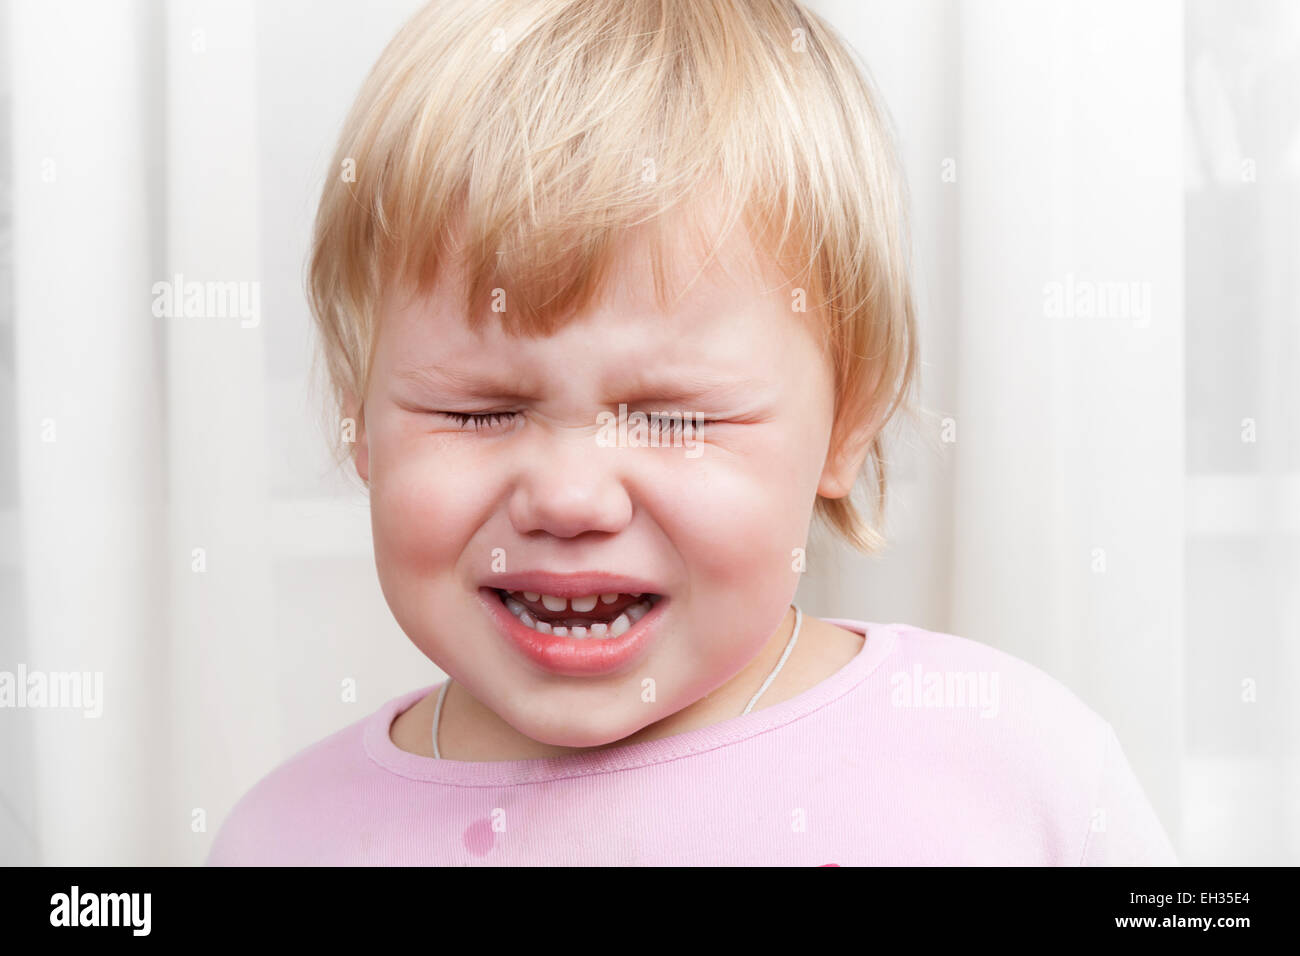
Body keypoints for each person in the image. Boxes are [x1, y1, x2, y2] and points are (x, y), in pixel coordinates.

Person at [207, 0, 1178, 865]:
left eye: (673, 417)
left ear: (849, 420)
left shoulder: (1008, 765)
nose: (569, 496)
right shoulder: (282, 838)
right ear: (359, 417)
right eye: (478, 411)